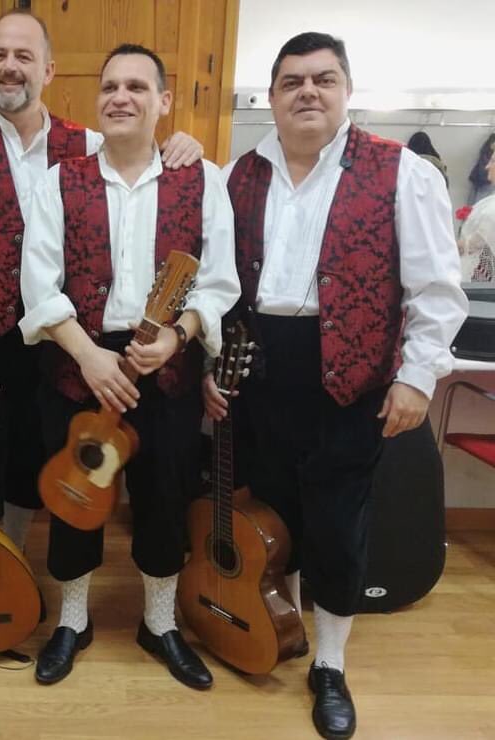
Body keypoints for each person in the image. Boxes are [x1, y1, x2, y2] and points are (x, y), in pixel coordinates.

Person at [207, 32, 468, 739]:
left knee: (338, 527)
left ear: (346, 90)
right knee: (271, 521)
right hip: (259, 368)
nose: (308, 92)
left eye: (323, 79)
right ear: (273, 96)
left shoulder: (401, 171)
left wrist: (417, 377)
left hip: (349, 375)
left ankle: (328, 664)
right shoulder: (239, 175)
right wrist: (214, 366)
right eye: (292, 81)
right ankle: (278, 625)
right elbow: (219, 285)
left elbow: (438, 290)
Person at [0, 9, 202, 551]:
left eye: (24, 56)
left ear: (48, 70)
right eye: (0, 55)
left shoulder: (93, 143)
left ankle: (17, 563)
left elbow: (142, 163)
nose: (11, 67)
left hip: (69, 342)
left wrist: (180, 145)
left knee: (41, 456)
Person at [19, 43, 240, 688]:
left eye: (138, 87)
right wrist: (88, 356)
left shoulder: (204, 181)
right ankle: (74, 621)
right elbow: (38, 282)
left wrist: (179, 337)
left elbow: (219, 282)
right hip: (78, 363)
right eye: (110, 86)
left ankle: (161, 624)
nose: (121, 97)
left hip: (164, 368)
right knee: (75, 498)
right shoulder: (58, 181)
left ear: (163, 102)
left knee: (164, 499)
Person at [459, 152, 495, 282]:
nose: (486, 167)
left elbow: (474, 244)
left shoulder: (491, 209)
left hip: (478, 284)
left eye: (492, 161)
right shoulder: (489, 202)